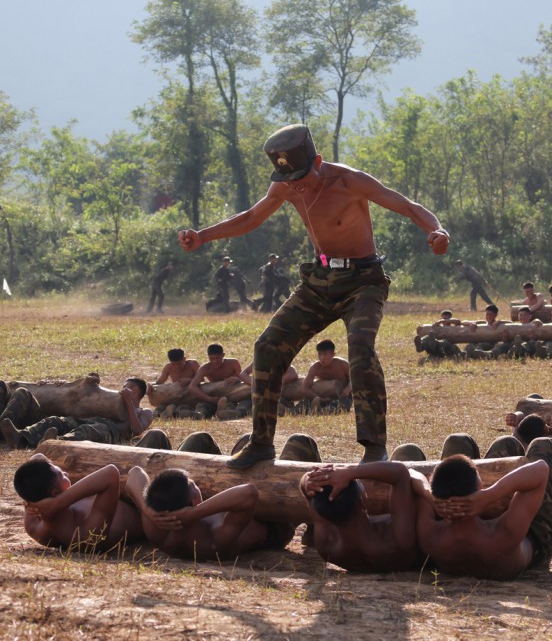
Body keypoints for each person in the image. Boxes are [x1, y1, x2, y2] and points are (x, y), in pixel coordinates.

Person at [178, 124, 449, 467]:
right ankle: (261, 443)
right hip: (319, 280)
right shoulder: (286, 184)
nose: (295, 186)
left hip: (363, 279)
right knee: (267, 346)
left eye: (301, 177)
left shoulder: (350, 181)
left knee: (361, 349)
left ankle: (374, 447)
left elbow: (408, 207)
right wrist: (202, 236)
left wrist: (437, 230)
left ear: (318, 161)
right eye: (288, 179)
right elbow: (251, 217)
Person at [413, 436, 552, 580]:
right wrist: (488, 495)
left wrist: (430, 496)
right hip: (534, 541)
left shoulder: (430, 537)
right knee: (545, 444)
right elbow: (540, 470)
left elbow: (412, 475)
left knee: (506, 442)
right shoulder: (502, 533)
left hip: (466, 532)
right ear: (480, 489)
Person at [126, 467, 290, 561]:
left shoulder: (158, 531)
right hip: (276, 528)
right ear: (195, 499)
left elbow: (135, 473)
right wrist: (194, 513)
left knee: (199, 441)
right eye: (193, 484)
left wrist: (146, 508)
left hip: (213, 506)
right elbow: (249, 493)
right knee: (298, 444)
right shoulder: (214, 538)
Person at [299, 461, 423, 572]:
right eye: (360, 483)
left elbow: (306, 490)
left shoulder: (328, 544)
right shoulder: (394, 540)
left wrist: (310, 480)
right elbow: (401, 472)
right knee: (407, 452)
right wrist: (350, 471)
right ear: (362, 501)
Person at [14, 454, 143, 551]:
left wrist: (31, 501)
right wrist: (57, 503)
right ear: (54, 493)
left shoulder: (33, 526)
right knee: (136, 472)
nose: (66, 473)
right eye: (61, 475)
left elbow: (37, 457)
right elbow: (111, 473)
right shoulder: (86, 536)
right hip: (140, 510)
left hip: (108, 495)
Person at [0, 378, 153, 449]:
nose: (125, 389)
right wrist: (62, 384)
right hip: (90, 421)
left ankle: (56, 444)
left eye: (131, 388)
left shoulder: (144, 412)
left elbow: (137, 430)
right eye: (124, 386)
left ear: (140, 393)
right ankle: (21, 438)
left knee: (89, 431)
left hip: (111, 432)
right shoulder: (112, 402)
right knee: (56, 421)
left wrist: (129, 405)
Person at [187, 343, 252, 419]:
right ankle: (198, 414)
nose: (215, 361)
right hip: (215, 397)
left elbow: (242, 377)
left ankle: (235, 412)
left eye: (217, 358)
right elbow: (192, 386)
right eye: (211, 359)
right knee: (203, 405)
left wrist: (237, 379)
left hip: (234, 396)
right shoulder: (205, 368)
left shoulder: (233, 363)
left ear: (223, 355)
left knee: (242, 403)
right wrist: (209, 399)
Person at [302, 339, 353, 413]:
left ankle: (320, 411)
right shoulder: (315, 367)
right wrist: (317, 397)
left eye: (325, 354)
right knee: (303, 406)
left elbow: (355, 379)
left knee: (341, 406)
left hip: (341, 397)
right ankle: (286, 409)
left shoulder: (343, 364)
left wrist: (347, 389)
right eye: (320, 354)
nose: (322, 358)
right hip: (323, 396)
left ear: (333, 354)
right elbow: (305, 387)